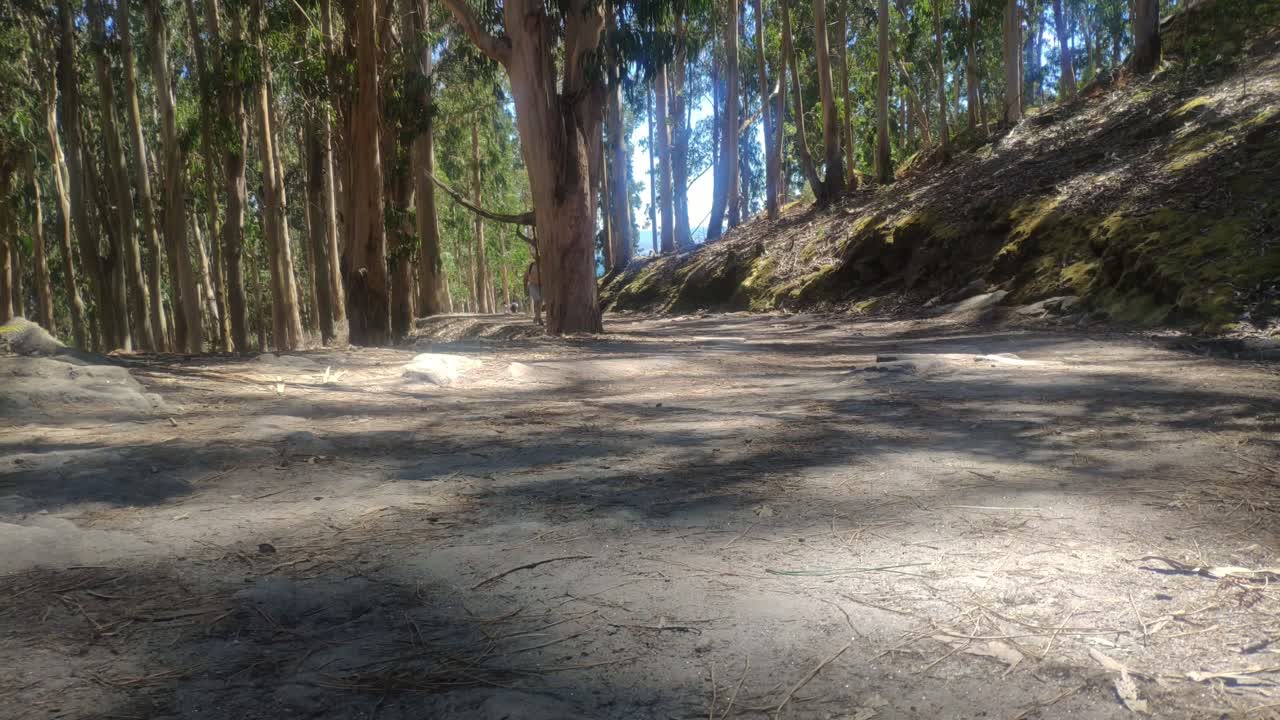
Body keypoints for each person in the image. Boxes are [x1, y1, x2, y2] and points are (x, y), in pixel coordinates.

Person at [523, 261, 542, 326]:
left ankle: (537, 316)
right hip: (533, 285)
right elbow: (525, 277)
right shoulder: (531, 265)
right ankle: (538, 317)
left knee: (540, 302)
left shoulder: (545, 264)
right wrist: (525, 288)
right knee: (537, 300)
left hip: (542, 286)